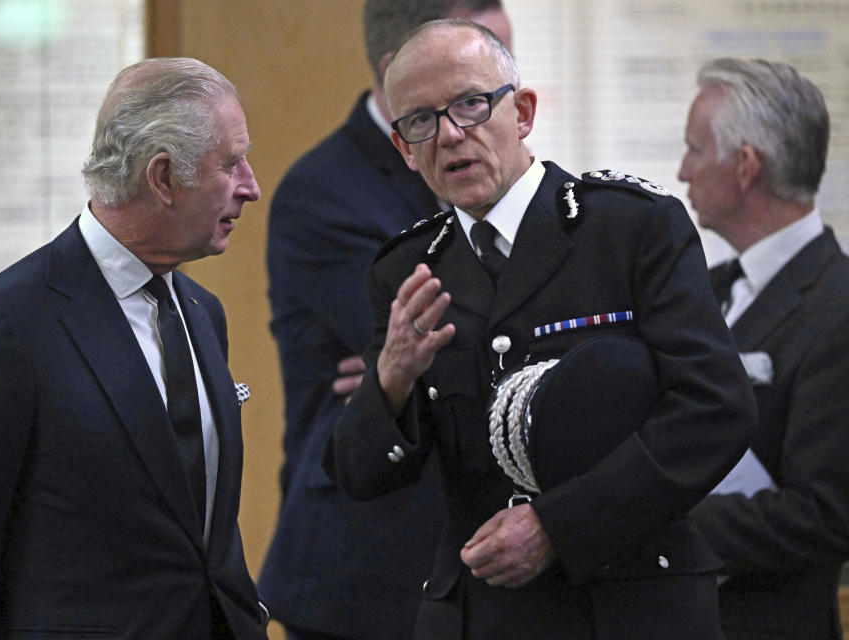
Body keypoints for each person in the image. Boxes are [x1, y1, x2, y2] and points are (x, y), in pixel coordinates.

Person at [324, 20, 756, 640]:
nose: (450, 135)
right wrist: (389, 383)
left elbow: (717, 410)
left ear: (521, 112)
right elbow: (359, 474)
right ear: (404, 150)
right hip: (484, 612)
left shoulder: (629, 228)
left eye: (471, 104)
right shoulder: (408, 271)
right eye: (420, 120)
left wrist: (558, 526)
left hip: (632, 603)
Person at [0, 57, 269, 640]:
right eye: (230, 164)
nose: (250, 186)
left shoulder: (204, 313)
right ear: (162, 178)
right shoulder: (3, 325)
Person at [260, 2, 510, 639]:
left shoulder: (497, 165)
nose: (494, 105)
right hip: (367, 563)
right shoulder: (324, 191)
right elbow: (455, 342)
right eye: (474, 78)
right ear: (401, 68)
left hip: (476, 557)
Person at [678, 57, 849, 640]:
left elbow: (828, 514)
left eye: (695, 150)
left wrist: (656, 514)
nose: (682, 171)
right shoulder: (711, 288)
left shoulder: (838, 307)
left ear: (746, 166)